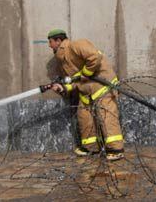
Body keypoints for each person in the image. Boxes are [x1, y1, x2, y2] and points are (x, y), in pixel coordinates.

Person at [47, 29, 125, 161]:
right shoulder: (63, 61)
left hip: (102, 86)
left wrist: (86, 74)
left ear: (58, 40)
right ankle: (91, 147)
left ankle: (116, 148)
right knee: (84, 117)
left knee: (107, 116)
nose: (49, 45)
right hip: (86, 90)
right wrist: (62, 88)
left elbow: (95, 57)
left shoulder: (76, 45)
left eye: (50, 42)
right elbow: (75, 81)